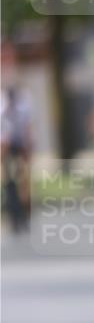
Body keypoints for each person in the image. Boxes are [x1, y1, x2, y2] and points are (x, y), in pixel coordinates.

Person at [1, 87, 33, 233]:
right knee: (12, 185)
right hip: (9, 151)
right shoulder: (6, 114)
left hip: (16, 149)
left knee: (20, 184)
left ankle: (23, 217)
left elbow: (25, 132)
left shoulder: (18, 112)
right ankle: (17, 219)